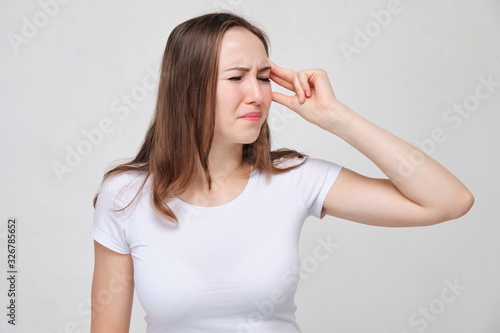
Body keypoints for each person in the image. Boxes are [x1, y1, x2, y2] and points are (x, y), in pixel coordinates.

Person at [89, 12, 474, 333]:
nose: (257, 95)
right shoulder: (125, 194)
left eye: (262, 77)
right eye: (237, 77)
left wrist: (337, 118)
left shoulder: (294, 178)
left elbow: (449, 201)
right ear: (187, 89)